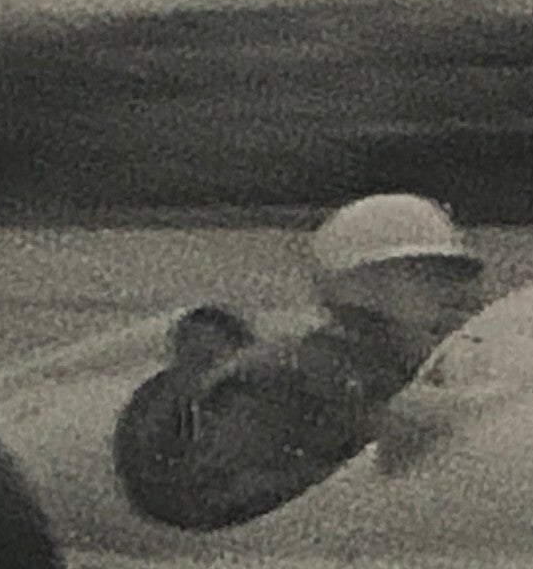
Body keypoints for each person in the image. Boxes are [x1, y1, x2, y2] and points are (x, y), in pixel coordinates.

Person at [113, 194, 487, 530]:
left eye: (455, 280)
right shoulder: (290, 378)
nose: (455, 298)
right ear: (360, 287)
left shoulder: (439, 370)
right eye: (424, 277)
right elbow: (215, 494)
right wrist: (373, 448)